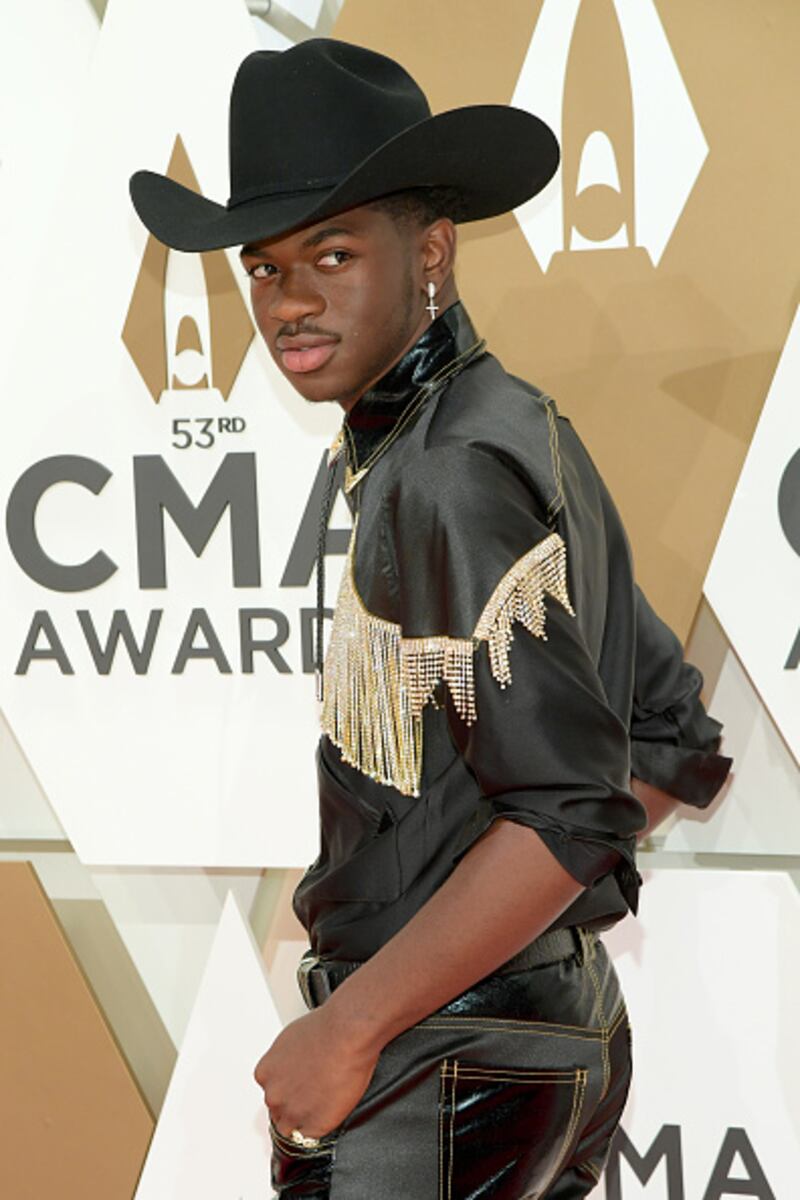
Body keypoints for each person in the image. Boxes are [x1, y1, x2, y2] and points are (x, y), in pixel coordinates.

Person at [131, 38, 731, 1198]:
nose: (289, 302)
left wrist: (353, 1023)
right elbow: (667, 737)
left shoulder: (445, 471)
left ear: (433, 253)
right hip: (546, 1039)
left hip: (438, 1062)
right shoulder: (508, 424)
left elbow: (568, 809)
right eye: (264, 268)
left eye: (333, 255)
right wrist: (518, 936)